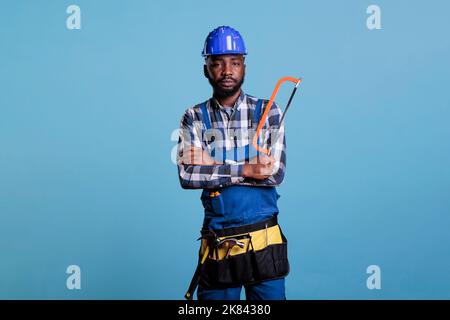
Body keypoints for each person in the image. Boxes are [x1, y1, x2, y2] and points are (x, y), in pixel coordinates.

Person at [177, 26, 289, 300]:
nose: (227, 70)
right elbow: (188, 175)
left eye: (235, 63)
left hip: (265, 243)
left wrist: (213, 163)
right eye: (218, 63)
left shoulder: (268, 110)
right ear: (206, 69)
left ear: (244, 68)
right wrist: (247, 167)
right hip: (219, 246)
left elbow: (274, 172)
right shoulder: (194, 117)